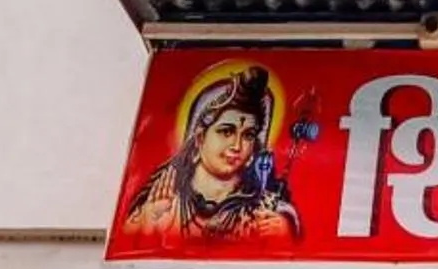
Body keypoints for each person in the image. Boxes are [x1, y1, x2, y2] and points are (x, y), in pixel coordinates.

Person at [118, 65, 302, 244]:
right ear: (199, 138)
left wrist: (282, 234)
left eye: (248, 135)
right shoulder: (163, 197)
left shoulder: (264, 208)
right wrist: (147, 224)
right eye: (226, 131)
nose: (237, 146)